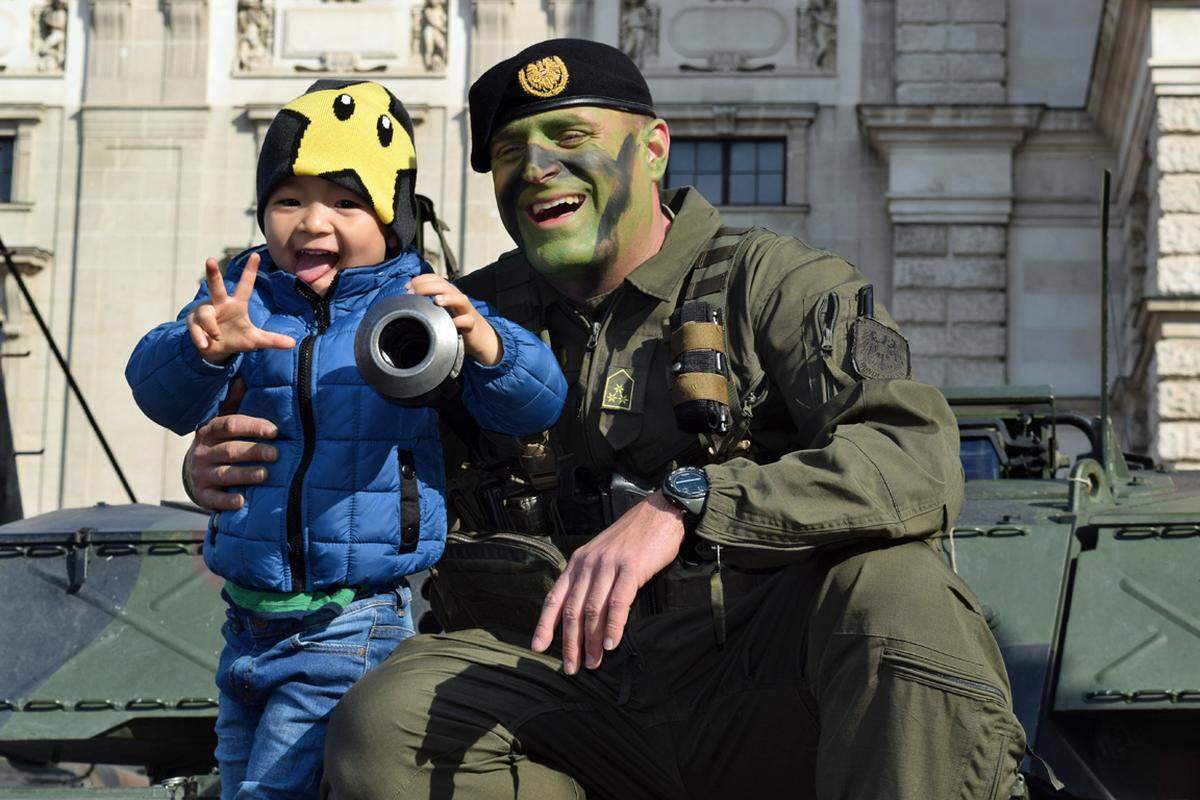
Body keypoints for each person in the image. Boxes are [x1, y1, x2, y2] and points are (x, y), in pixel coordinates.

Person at [186, 41, 1026, 800]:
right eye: (512, 152)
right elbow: (338, 436)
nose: (540, 167)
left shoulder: (776, 285)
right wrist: (221, 469)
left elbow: (914, 457)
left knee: (900, 597)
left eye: (571, 137)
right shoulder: (447, 322)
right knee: (388, 720)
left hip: (766, 689)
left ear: (653, 146)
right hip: (568, 701)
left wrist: (689, 503)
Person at [124, 79, 566, 800]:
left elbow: (535, 403)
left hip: (351, 619)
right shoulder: (243, 294)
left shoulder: (416, 298)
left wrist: (484, 342)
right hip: (248, 619)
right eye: (289, 199)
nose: (312, 222)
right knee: (243, 781)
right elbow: (158, 396)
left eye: (346, 202)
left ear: (391, 216)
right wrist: (201, 346)